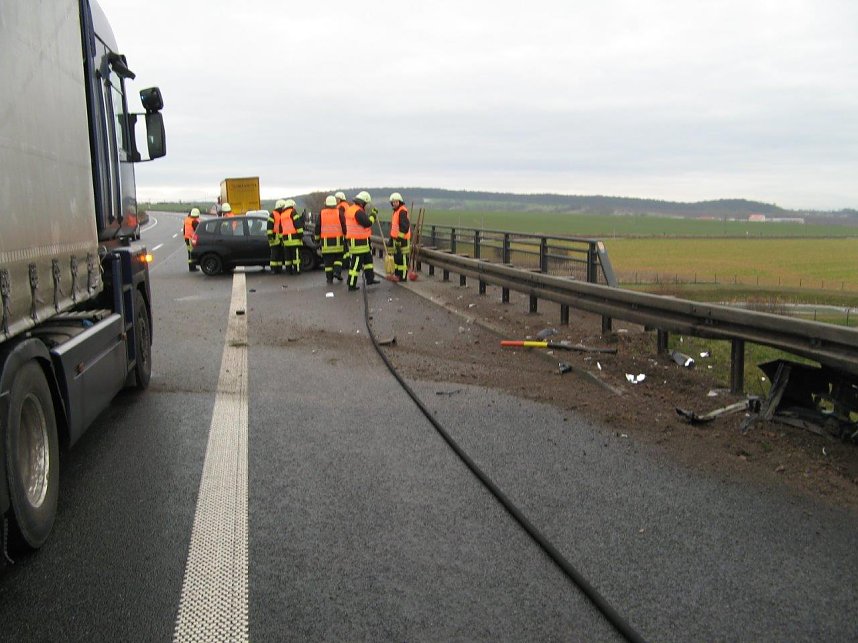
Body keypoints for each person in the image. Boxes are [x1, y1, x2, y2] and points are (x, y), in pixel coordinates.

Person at [344, 191, 378, 291]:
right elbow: (367, 223)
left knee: (368, 262)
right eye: (366, 204)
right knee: (356, 265)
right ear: (362, 203)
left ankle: (370, 279)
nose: (367, 206)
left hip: (362, 242)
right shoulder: (357, 211)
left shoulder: (353, 209)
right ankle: (351, 284)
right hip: (358, 243)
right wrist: (373, 215)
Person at [315, 195, 346, 283]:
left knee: (328, 262)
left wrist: (317, 239)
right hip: (338, 241)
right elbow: (344, 224)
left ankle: (329, 279)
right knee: (339, 258)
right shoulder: (339, 212)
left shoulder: (322, 213)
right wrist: (346, 234)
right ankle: (337, 272)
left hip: (325, 242)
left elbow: (317, 226)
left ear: (326, 204)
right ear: (335, 204)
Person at [387, 192, 411, 281]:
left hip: (403, 239)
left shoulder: (402, 211)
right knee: (397, 258)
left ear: (399, 202)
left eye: (396, 202)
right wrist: (391, 239)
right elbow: (394, 228)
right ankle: (397, 275)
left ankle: (403, 277)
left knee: (403, 258)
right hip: (395, 239)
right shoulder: (396, 212)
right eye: (393, 202)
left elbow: (405, 227)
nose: (394, 203)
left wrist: (399, 239)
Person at [279, 198, 304, 274]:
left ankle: (288, 270)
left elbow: (280, 228)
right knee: (296, 256)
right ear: (291, 205)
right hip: (294, 239)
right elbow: (297, 224)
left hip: (286, 239)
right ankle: (297, 270)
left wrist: (281, 239)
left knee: (288, 257)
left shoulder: (282, 214)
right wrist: (301, 235)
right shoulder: (292, 212)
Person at [266, 200, 286, 273]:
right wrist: (270, 237)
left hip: (280, 239)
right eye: (283, 207)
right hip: (274, 238)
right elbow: (269, 227)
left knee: (280, 255)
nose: (284, 208)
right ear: (280, 206)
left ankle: (279, 268)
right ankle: (274, 269)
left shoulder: (281, 214)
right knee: (274, 255)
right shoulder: (273, 215)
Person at [335, 191, 351, 267]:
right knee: (346, 248)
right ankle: (347, 262)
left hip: (344, 229)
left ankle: (345, 263)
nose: (336, 200)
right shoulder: (346, 205)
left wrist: (344, 232)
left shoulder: (341, 207)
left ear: (340, 199)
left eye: (337, 199)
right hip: (348, 228)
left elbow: (341, 219)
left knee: (344, 248)